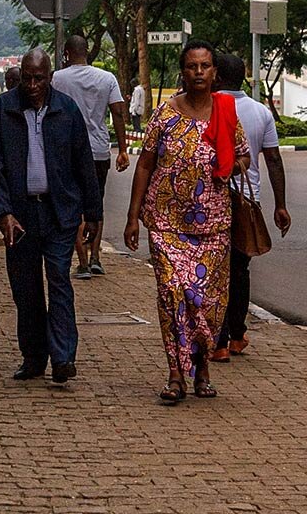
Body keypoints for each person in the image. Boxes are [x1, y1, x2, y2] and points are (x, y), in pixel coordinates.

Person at [123, 40, 249, 403]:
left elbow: (244, 158)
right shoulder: (164, 114)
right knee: (172, 295)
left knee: (206, 301)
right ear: (183, 71)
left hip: (212, 226)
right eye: (192, 66)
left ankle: (203, 371)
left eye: (205, 66)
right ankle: (176, 374)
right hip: (166, 224)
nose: (198, 72)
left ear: (214, 73)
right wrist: (134, 217)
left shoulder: (225, 112)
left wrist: (227, 165)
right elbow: (145, 163)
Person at [0, 48, 102, 385]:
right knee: (27, 288)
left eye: (39, 78)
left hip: (59, 212)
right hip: (19, 217)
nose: (32, 85)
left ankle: (63, 358)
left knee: (59, 280)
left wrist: (92, 213)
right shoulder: (3, 109)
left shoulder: (66, 110)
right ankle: (34, 356)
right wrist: (3, 211)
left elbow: (83, 163)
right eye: (27, 77)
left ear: (50, 77)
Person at [208, 54, 291, 363]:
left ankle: (217, 339)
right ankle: (237, 334)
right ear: (243, 77)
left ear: (215, 75)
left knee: (214, 270)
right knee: (239, 269)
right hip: (247, 200)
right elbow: (272, 159)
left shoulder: (206, 107)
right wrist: (280, 205)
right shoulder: (260, 112)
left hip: (213, 198)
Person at [50, 35, 130, 280]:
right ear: (87, 52)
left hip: (67, 152)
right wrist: (124, 148)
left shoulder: (57, 78)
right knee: (96, 204)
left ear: (66, 53)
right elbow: (118, 112)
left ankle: (82, 262)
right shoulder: (107, 78)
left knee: (74, 207)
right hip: (98, 151)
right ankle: (96, 257)